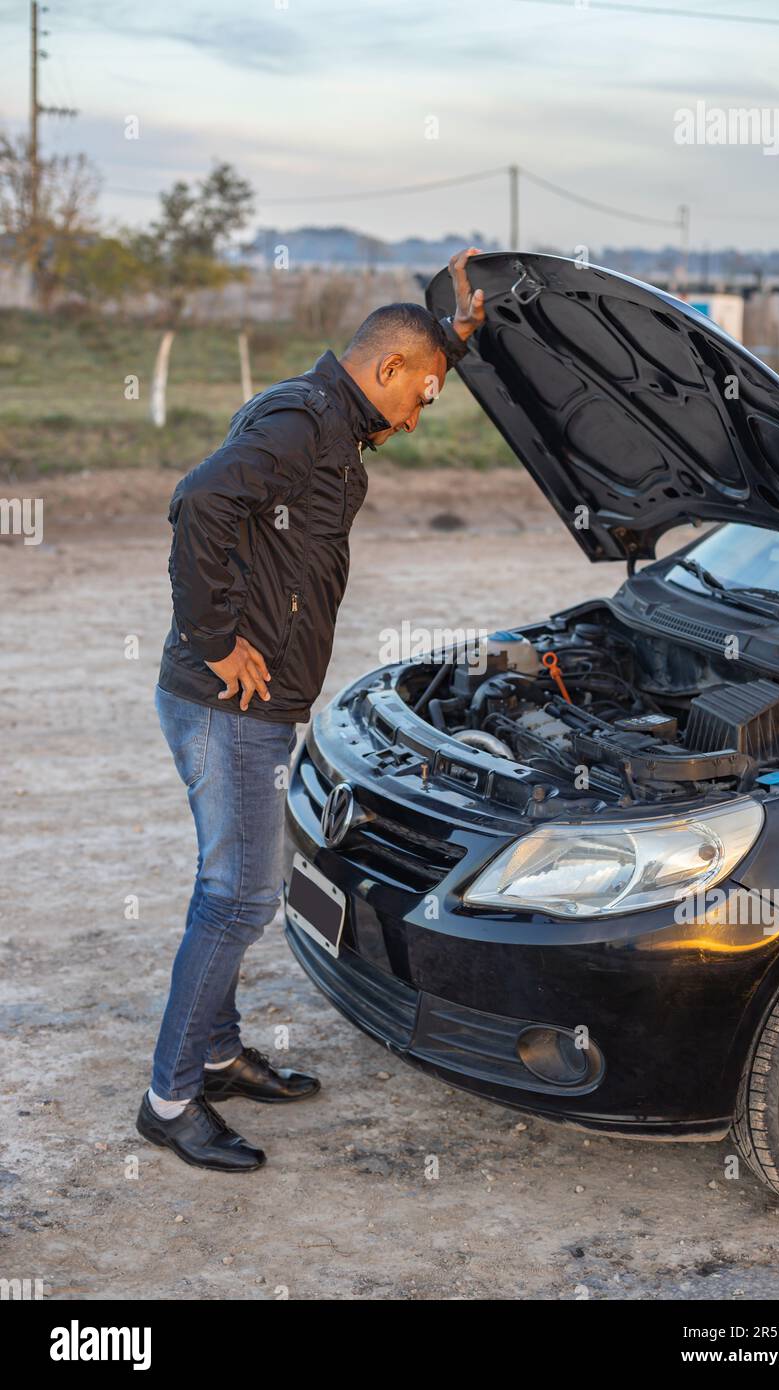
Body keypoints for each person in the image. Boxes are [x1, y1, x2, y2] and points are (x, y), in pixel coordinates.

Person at [136, 249, 486, 1171]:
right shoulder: (304, 421)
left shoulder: (334, 415)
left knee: (226, 879)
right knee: (242, 893)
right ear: (387, 372)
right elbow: (200, 501)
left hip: (240, 702)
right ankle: (170, 1101)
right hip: (227, 704)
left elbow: (410, 358)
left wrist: (456, 331)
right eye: (425, 393)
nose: (420, 417)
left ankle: (213, 1055)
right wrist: (216, 639)